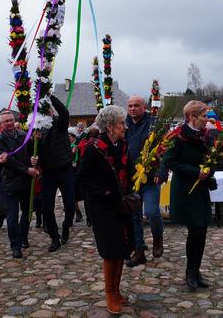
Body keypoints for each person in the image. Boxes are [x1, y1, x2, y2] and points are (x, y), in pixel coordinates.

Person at [77, 105, 134, 315]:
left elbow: (127, 169)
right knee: (111, 250)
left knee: (122, 247)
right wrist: (105, 192)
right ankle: (110, 292)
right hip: (102, 206)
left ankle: (117, 289)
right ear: (110, 127)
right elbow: (82, 178)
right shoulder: (92, 148)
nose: (124, 127)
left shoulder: (122, 144)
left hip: (121, 204)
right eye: (120, 123)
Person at [163, 101, 214, 291]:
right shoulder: (179, 136)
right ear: (192, 117)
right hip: (186, 189)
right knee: (196, 230)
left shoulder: (206, 136)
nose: (206, 119)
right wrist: (195, 172)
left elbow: (213, 158)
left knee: (201, 231)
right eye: (203, 116)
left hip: (201, 189)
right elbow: (170, 161)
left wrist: (209, 170)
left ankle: (196, 269)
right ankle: (190, 271)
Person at [125, 95, 166, 267]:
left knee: (151, 212)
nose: (132, 109)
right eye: (130, 106)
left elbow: (165, 150)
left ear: (144, 107)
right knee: (134, 216)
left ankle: (157, 238)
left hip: (150, 177)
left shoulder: (153, 123)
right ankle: (139, 250)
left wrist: (162, 171)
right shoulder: (124, 124)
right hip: (131, 179)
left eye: (136, 106)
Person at [34, 94, 76, 252]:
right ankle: (54, 237)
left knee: (70, 206)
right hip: (49, 173)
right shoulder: (37, 131)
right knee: (47, 207)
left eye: (49, 112)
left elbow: (64, 112)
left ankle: (66, 226)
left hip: (65, 171)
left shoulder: (60, 125)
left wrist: (50, 96)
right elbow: (33, 152)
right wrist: (33, 144)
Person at [0, 110, 37, 259]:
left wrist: (33, 159)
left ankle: (23, 236)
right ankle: (15, 245)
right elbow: (8, 162)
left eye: (11, 120)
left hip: (26, 182)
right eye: (6, 121)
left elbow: (32, 152)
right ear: (1, 123)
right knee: (12, 218)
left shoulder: (24, 135)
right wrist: (26, 170)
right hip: (11, 182)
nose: (10, 123)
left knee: (27, 212)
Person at [68, 127, 86, 224]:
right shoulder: (66, 146)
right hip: (69, 173)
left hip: (78, 172)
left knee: (80, 193)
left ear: (74, 137)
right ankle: (77, 212)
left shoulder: (78, 145)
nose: (68, 138)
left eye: (70, 136)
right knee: (72, 195)